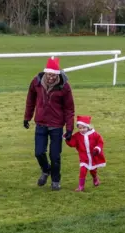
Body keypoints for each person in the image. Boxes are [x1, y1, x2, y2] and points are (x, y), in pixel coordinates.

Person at [24, 57, 75, 191]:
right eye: (49, 75)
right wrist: (27, 117)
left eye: (54, 75)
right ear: (45, 73)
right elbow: (30, 99)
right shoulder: (36, 82)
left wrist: (69, 128)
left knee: (55, 155)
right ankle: (46, 170)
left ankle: (56, 180)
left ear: (58, 74)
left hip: (57, 126)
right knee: (39, 153)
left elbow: (69, 109)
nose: (51, 78)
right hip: (40, 123)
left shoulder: (65, 87)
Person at [65, 115, 106, 192]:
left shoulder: (95, 134)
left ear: (88, 127)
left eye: (84, 128)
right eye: (80, 128)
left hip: (93, 156)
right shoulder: (77, 136)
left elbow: (100, 142)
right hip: (84, 158)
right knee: (83, 170)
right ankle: (81, 186)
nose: (82, 130)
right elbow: (72, 144)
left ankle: (95, 179)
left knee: (93, 170)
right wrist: (68, 139)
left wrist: (97, 149)